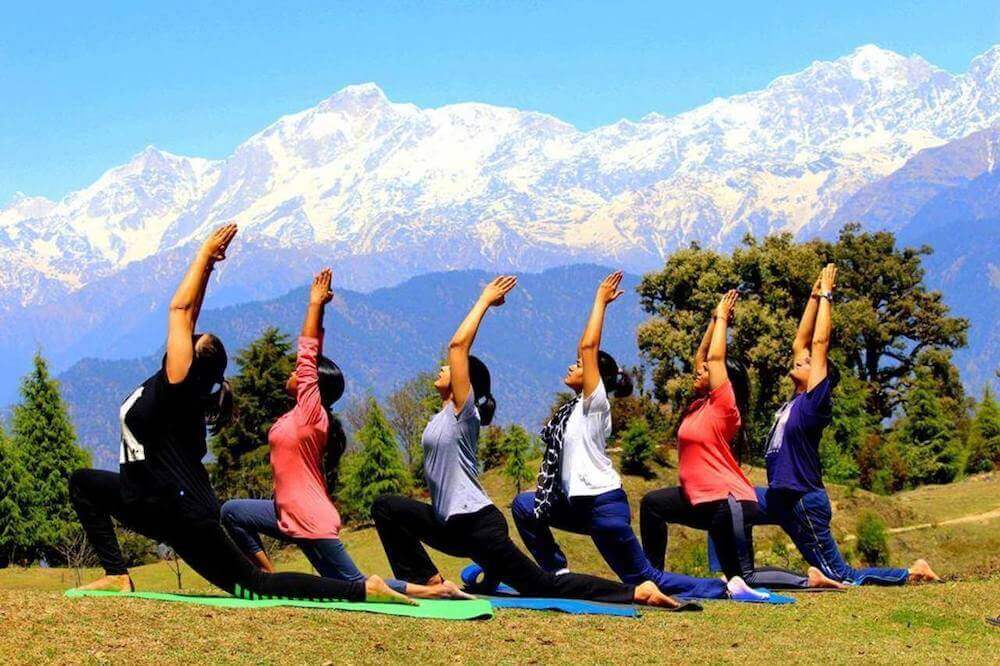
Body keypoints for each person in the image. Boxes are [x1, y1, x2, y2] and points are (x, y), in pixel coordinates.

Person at [69, 225, 410, 604]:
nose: (186, 335)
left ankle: (362, 588)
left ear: (192, 365)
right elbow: (190, 313)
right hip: (144, 500)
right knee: (84, 483)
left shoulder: (177, 388)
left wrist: (202, 255)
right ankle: (116, 575)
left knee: (254, 587)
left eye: (192, 340)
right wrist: (211, 268)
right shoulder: (178, 381)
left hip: (181, 512)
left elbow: (180, 311)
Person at [372, 276, 685, 608]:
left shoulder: (464, 414)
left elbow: (458, 347)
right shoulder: (440, 416)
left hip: (477, 524)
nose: (441, 368)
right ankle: (429, 584)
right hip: (446, 522)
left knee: (542, 585)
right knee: (387, 508)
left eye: (449, 369)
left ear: (467, 383)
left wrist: (483, 302)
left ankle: (637, 591)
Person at [510, 271, 764, 601]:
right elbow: (702, 360)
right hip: (575, 505)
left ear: (594, 376)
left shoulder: (594, 402)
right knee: (525, 506)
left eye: (579, 365)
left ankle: (724, 587)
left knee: (644, 578)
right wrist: (715, 319)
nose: (573, 366)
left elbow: (588, 346)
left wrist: (600, 301)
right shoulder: (572, 410)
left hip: (603, 507)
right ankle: (557, 573)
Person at [220, 268, 470, 600]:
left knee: (351, 583)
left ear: (314, 386)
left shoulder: (312, 413)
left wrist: (315, 306)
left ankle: (435, 591)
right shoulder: (299, 413)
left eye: (300, 372)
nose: (295, 371)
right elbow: (313, 358)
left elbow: (309, 353)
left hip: (307, 516)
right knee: (232, 512)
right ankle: (267, 577)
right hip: (284, 510)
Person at [639, 290, 844, 590]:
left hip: (726, 501)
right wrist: (713, 321)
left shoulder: (724, 406)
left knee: (740, 578)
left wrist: (723, 318)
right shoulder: (700, 404)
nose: (699, 371)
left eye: (707, 371)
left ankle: (806, 580)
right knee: (652, 505)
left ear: (723, 380)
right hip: (703, 498)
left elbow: (715, 357)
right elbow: (703, 355)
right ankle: (651, 579)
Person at [752, 264, 938, 585]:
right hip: (780, 497)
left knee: (841, 575)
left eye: (810, 362)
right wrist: (812, 297)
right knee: (729, 502)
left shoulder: (814, 403)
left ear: (819, 377)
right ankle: (734, 575)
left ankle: (912, 572)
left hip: (803, 502)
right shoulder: (794, 400)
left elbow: (819, 343)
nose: (802, 358)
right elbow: (802, 340)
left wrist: (827, 296)